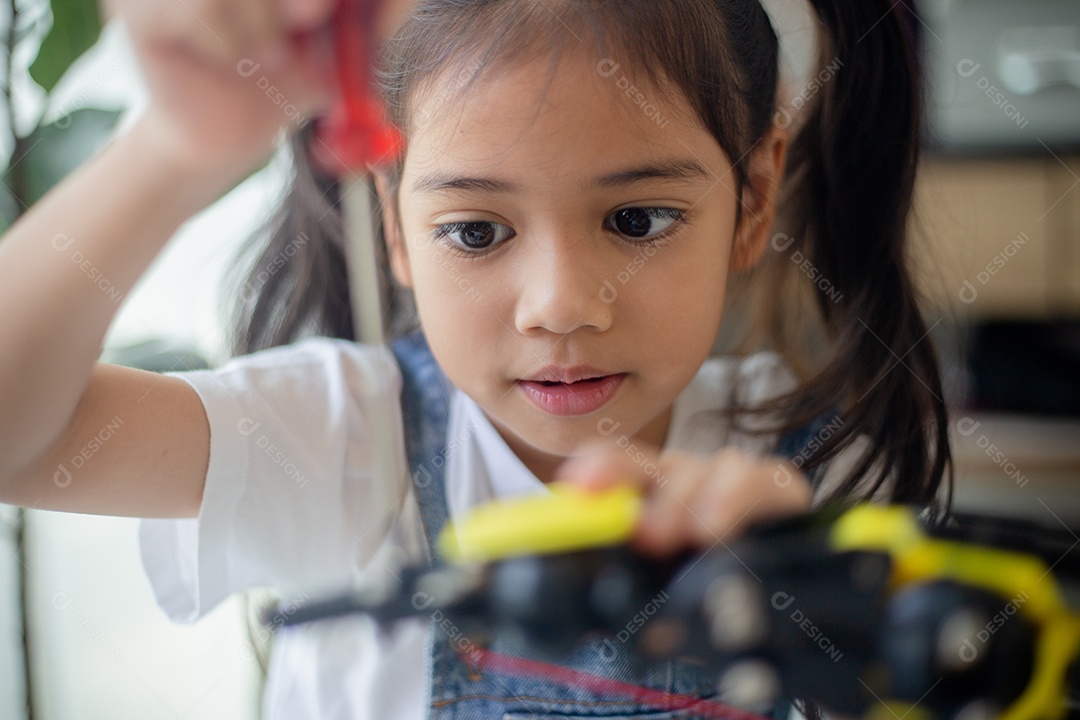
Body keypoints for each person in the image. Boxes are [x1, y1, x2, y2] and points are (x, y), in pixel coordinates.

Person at [0, 0, 952, 718]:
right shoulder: (331, 441)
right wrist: (177, 148)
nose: (562, 306)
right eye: (477, 230)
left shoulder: (817, 466)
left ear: (752, 200)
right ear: (397, 228)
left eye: (637, 219)